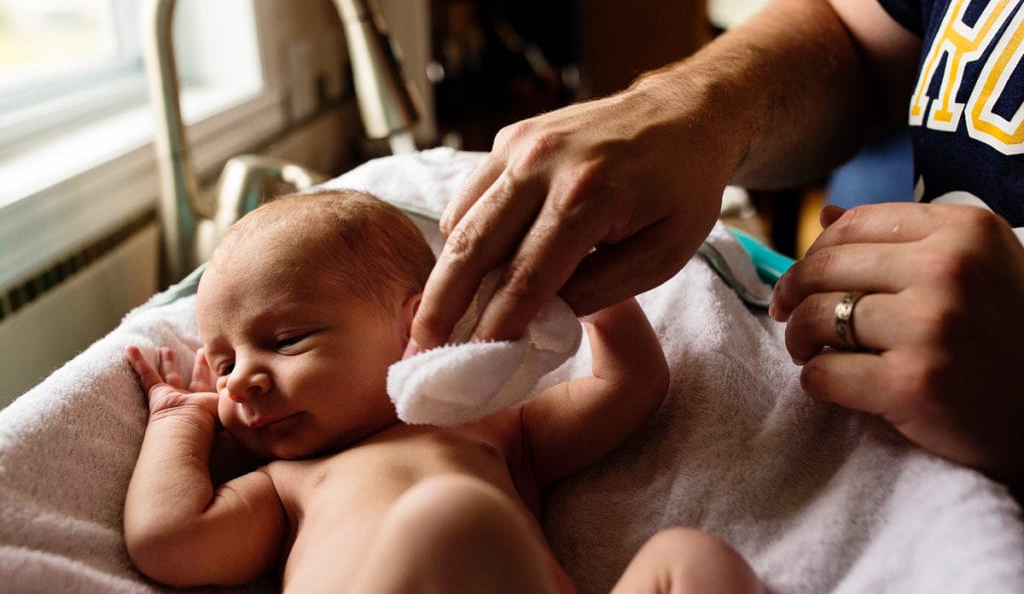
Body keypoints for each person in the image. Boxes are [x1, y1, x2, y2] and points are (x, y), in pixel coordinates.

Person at [405, 0, 1024, 489]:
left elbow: (626, 386)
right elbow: (855, 25)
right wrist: (695, 110)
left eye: (302, 338)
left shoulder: (490, 439)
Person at [123, 190, 762, 593]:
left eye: (286, 340)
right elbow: (169, 540)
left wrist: (583, 288)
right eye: (223, 361)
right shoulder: (287, 485)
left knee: (689, 558)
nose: (240, 380)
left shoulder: (490, 428)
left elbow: (629, 385)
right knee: (451, 517)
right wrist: (180, 417)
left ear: (415, 329)